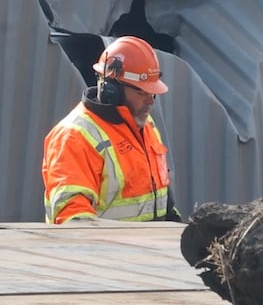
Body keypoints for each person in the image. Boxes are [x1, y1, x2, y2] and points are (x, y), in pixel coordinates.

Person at [42, 35, 180, 224]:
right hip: (105, 252)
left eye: (153, 93)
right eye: (142, 92)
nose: (150, 101)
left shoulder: (146, 125)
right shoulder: (74, 136)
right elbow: (74, 222)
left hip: (148, 250)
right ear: (110, 89)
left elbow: (161, 198)